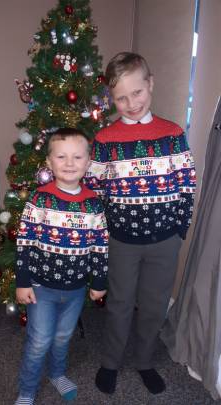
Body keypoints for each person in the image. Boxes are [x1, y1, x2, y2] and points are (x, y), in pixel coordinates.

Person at [84, 52, 196, 395]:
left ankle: (145, 361)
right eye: (120, 97)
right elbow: (95, 188)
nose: (130, 103)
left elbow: (187, 184)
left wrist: (179, 230)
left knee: (154, 304)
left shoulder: (173, 133)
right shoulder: (104, 140)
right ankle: (111, 362)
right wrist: (102, 233)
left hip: (165, 241)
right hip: (121, 241)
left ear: (150, 84)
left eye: (137, 92)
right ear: (111, 98)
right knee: (118, 303)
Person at [14, 128, 109, 405]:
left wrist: (99, 282)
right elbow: (25, 243)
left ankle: (57, 374)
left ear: (88, 163)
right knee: (39, 340)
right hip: (41, 287)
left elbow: (100, 246)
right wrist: (23, 281)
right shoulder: (39, 199)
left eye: (77, 157)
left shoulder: (93, 204)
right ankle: (27, 390)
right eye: (61, 156)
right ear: (49, 162)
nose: (69, 163)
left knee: (63, 336)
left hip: (76, 288)